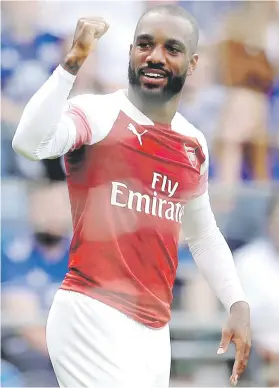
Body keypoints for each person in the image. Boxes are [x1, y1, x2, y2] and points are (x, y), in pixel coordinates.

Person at [12, 5, 251, 388]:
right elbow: (28, 144)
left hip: (154, 331)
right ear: (130, 51)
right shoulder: (98, 113)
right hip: (90, 312)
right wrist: (71, 66)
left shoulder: (193, 143)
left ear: (191, 64)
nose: (155, 56)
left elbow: (202, 234)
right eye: (144, 44)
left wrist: (237, 303)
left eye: (171, 48)